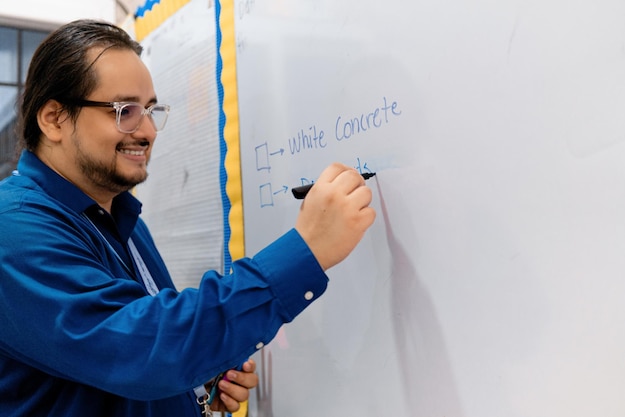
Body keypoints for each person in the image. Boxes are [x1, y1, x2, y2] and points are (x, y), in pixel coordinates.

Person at [0, 19, 376, 417]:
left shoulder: (122, 220)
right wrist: (307, 251)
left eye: (151, 110)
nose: (147, 130)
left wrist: (196, 382)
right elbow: (143, 348)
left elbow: (121, 359)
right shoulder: (14, 228)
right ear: (54, 119)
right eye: (125, 111)